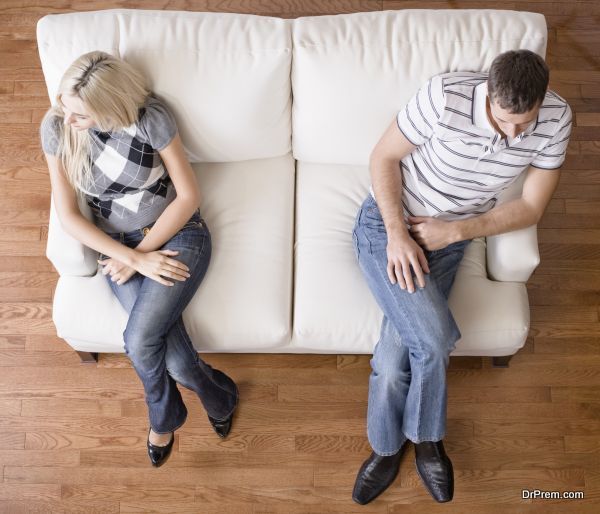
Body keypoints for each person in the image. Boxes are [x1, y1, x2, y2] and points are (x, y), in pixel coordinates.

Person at [351, 49, 571, 504]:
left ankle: (390, 448)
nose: (513, 135)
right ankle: (426, 441)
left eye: (523, 123)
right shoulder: (444, 97)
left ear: (542, 99)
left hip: (451, 237)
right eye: (504, 121)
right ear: (487, 94)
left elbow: (531, 207)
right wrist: (397, 234)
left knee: (394, 361)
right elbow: (382, 158)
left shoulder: (556, 119)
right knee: (432, 341)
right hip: (388, 225)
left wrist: (455, 231)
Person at [40, 51, 239, 468]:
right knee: (178, 360)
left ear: (110, 106)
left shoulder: (150, 118)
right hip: (118, 248)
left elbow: (188, 197)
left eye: (81, 114)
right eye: (65, 105)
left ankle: (163, 420)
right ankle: (219, 395)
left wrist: (143, 255)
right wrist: (129, 255)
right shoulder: (58, 127)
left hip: (177, 232)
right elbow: (70, 218)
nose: (67, 117)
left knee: (137, 340)